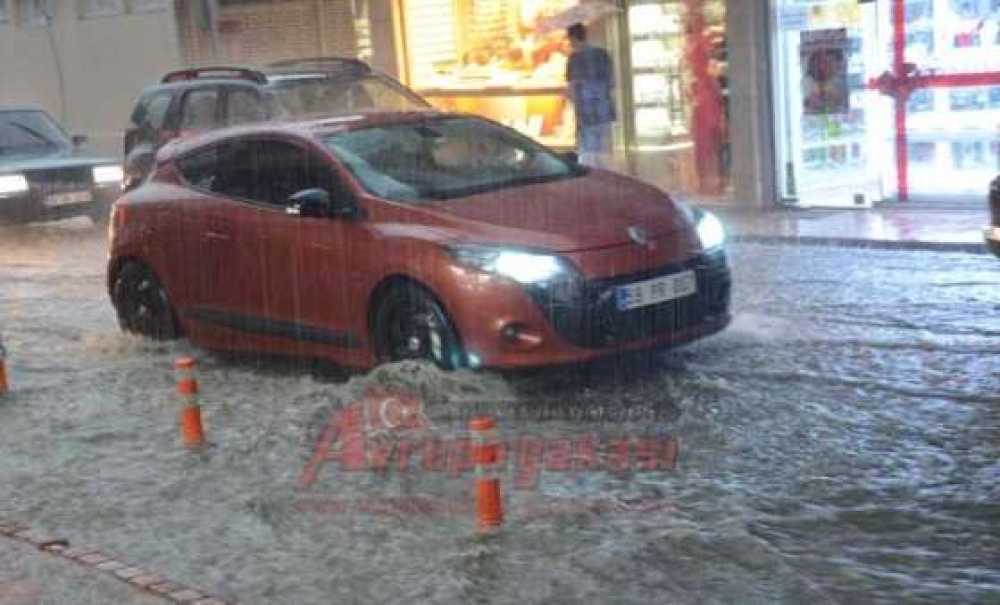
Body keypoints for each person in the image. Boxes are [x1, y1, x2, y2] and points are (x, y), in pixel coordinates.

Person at [565, 23, 616, 168]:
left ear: (573, 38)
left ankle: (594, 178)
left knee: (588, 151)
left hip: (585, 111)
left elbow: (572, 86)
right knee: (602, 148)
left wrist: (573, 98)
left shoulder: (574, 59)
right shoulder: (603, 54)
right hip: (604, 109)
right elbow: (611, 82)